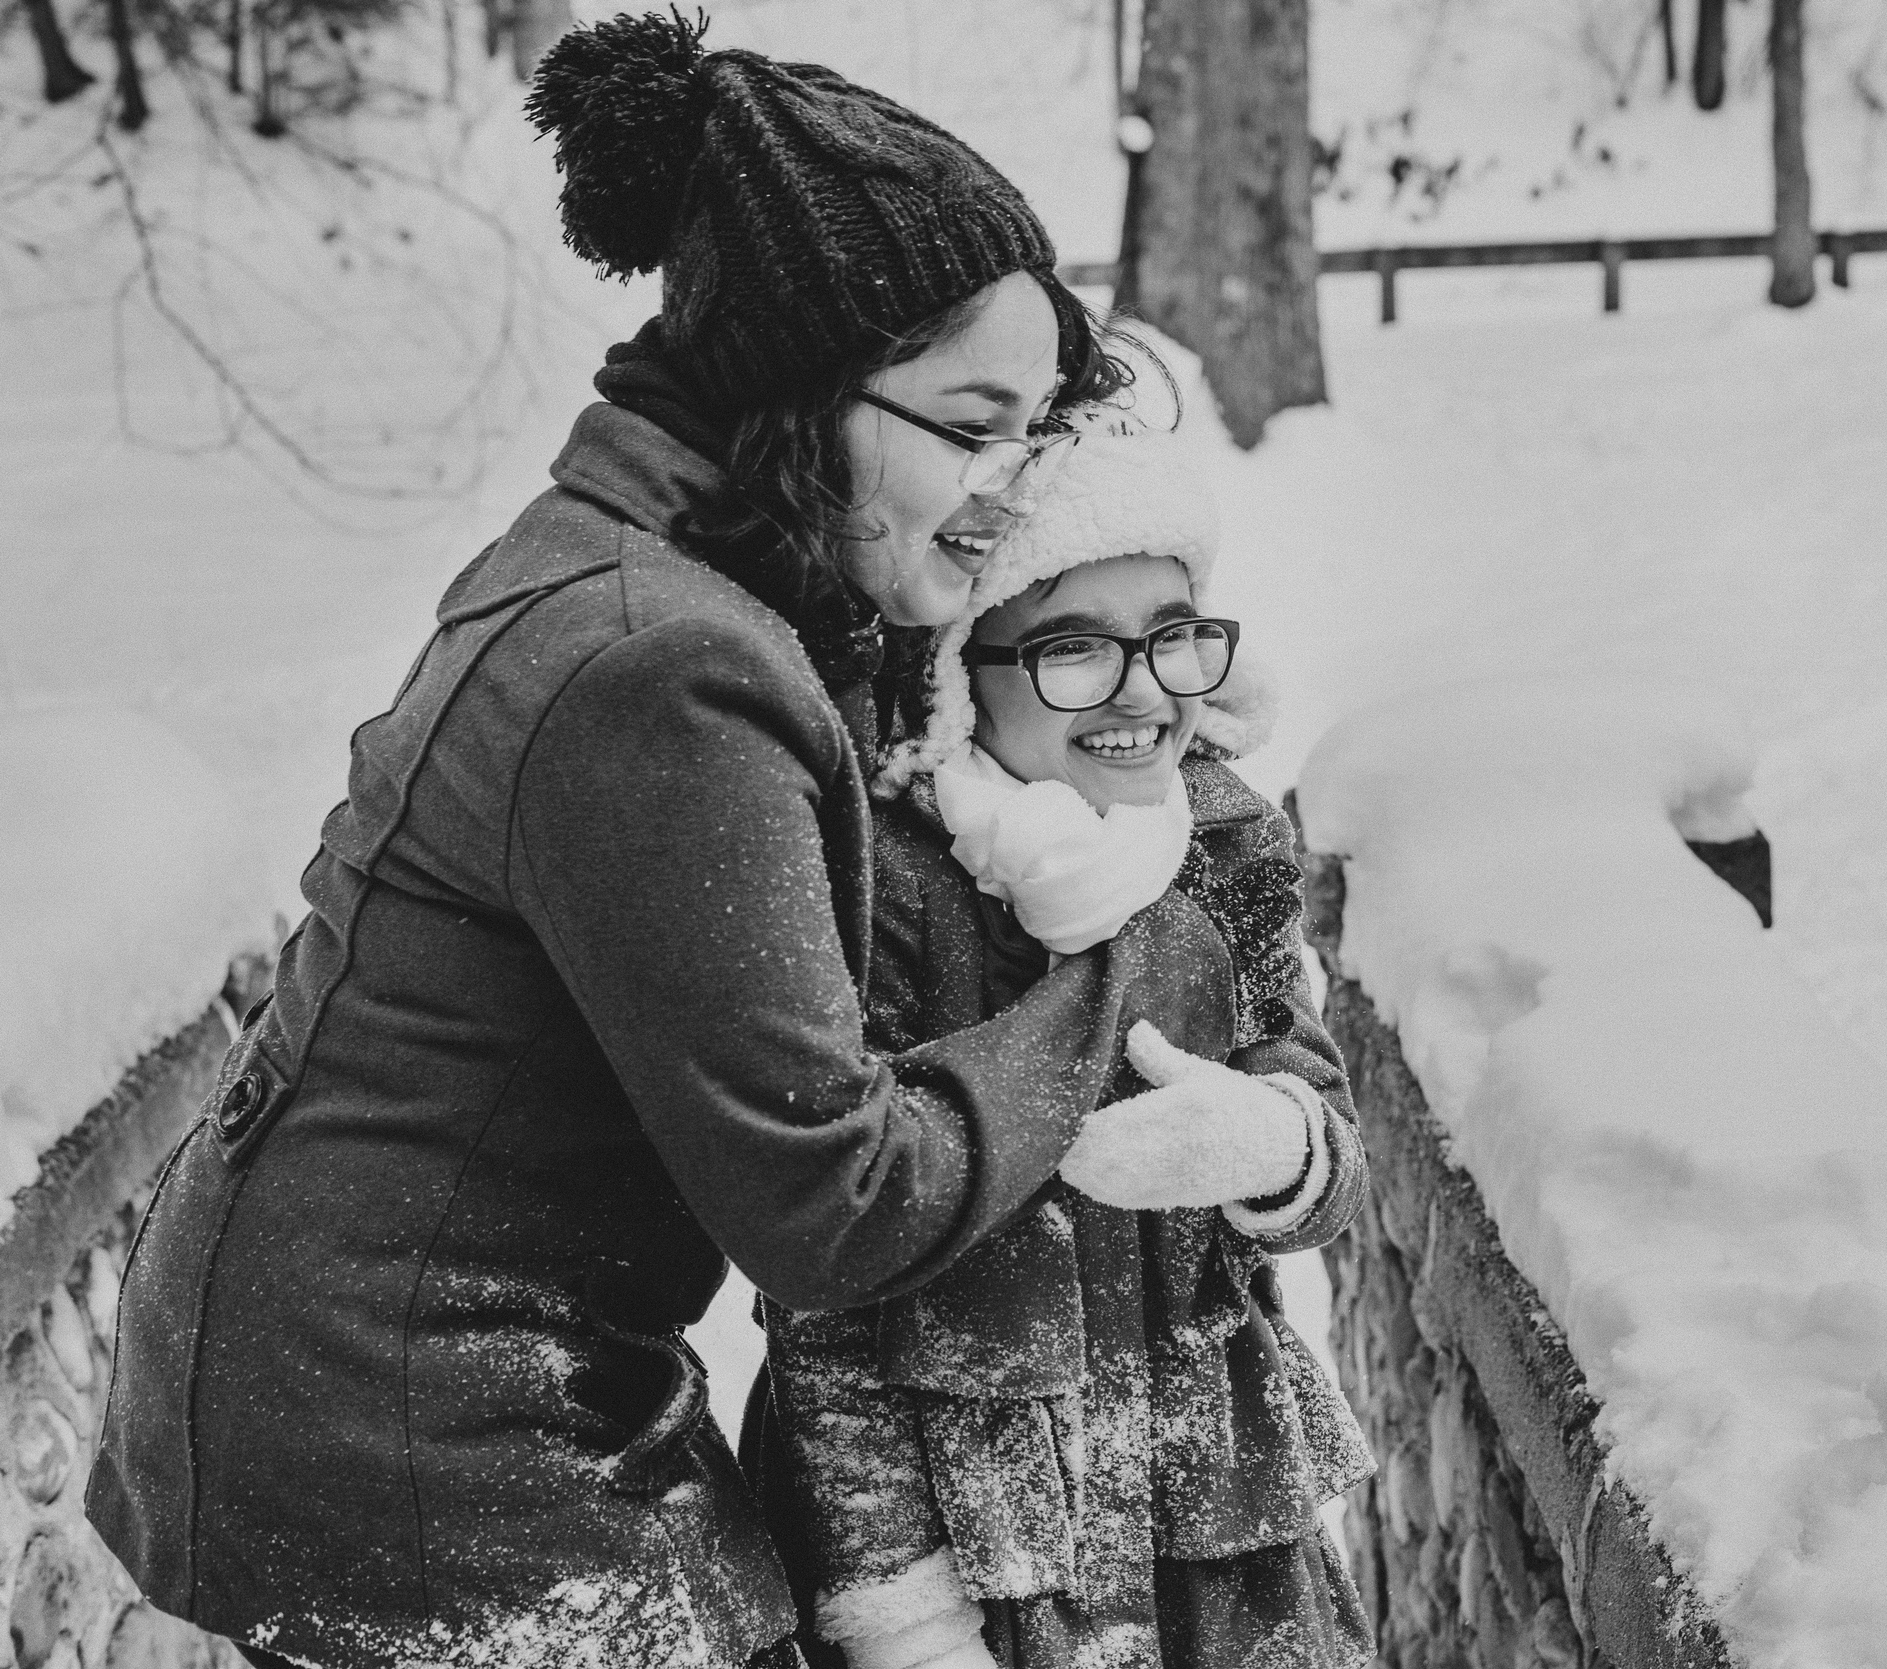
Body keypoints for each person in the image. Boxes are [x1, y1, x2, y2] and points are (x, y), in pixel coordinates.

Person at [85, 17, 1278, 1669]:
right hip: (415, 1420)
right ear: (799, 394)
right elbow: (834, 1198)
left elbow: (837, 803)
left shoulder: (658, 563)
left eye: (1036, 427)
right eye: (970, 422)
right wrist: (1148, 959)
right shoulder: (667, 670)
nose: (1014, 479)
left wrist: (1112, 749)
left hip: (381, 1358)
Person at [746, 422, 1374, 1669]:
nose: (1145, 691)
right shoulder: (880, 897)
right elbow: (821, 1290)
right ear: (955, 668)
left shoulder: (1222, 843)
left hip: (1217, 1520)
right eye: (1074, 646)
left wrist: (1277, 1144)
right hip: (979, 1553)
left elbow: (1325, 1140)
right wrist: (905, 1621)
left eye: (1173, 633)